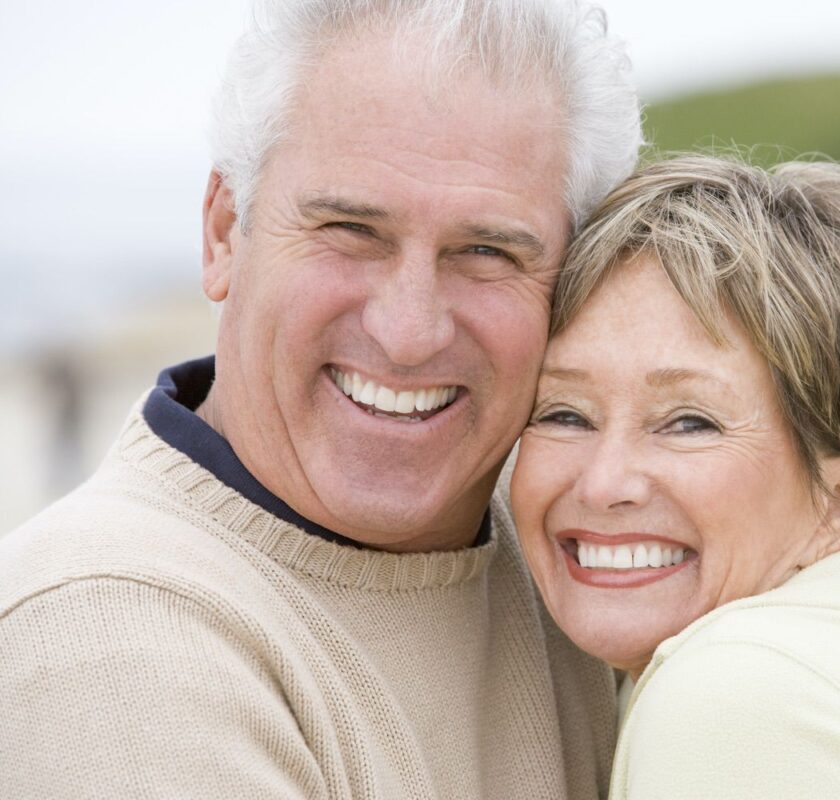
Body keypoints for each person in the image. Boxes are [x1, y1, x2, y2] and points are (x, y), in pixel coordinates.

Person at [0, 0, 641, 796]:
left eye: (486, 250)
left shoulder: (590, 548)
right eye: (350, 230)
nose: (409, 332)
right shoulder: (107, 641)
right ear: (225, 233)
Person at [512, 155, 840, 798]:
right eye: (564, 413)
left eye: (690, 423)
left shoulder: (737, 691)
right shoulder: (826, 667)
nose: (602, 483)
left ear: (839, 501)